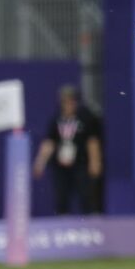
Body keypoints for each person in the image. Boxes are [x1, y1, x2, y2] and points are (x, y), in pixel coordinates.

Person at [33, 85, 102, 215]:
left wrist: (95, 162)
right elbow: (49, 142)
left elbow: (92, 142)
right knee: (61, 197)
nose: (68, 104)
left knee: (85, 196)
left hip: (81, 164)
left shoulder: (85, 118)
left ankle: (91, 224)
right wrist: (40, 162)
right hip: (61, 166)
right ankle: (63, 223)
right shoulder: (56, 119)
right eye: (65, 101)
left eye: (71, 100)